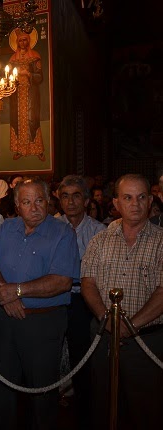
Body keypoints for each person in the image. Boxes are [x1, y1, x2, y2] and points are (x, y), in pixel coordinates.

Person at [0, 177, 79, 430]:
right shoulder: (7, 228)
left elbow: (62, 282)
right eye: (26, 202)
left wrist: (16, 291)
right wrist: (6, 296)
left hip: (43, 322)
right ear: (17, 206)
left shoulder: (62, 233)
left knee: (42, 393)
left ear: (48, 202)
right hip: (5, 318)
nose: (34, 207)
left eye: (39, 201)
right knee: (2, 387)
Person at [81, 174, 163, 430]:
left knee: (146, 412)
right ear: (116, 203)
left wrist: (129, 325)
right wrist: (106, 319)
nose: (135, 204)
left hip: (147, 341)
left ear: (150, 201)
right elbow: (88, 283)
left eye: (141, 197)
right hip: (104, 336)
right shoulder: (100, 240)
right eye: (127, 197)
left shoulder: (161, 241)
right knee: (104, 408)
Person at [57, 175, 106, 429]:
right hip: (55, 297)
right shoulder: (52, 227)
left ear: (86, 201)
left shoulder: (99, 231)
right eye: (65, 196)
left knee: (81, 356)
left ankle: (85, 415)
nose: (71, 202)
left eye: (76, 196)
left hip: (83, 299)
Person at [9, 29, 44, 161]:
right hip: (17, 95)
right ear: (17, 43)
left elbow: (40, 77)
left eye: (25, 40)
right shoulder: (13, 59)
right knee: (17, 121)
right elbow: (8, 77)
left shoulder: (35, 56)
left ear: (28, 41)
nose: (23, 43)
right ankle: (20, 149)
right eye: (20, 40)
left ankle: (37, 149)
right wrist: (14, 76)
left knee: (32, 120)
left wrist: (28, 74)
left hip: (30, 94)